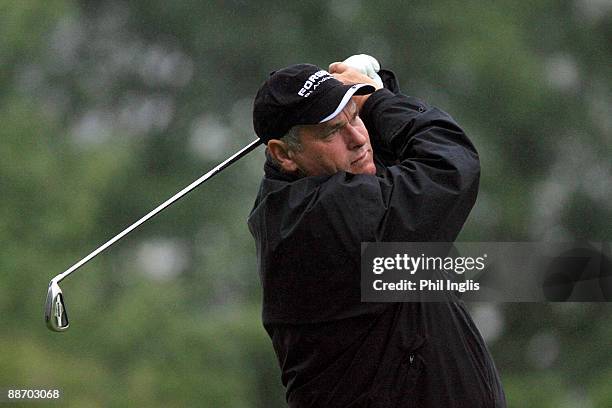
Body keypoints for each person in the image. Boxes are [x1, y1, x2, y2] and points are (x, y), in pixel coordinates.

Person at [248, 57, 506, 408]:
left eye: (354, 115)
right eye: (331, 131)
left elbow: (384, 168)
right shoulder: (325, 222)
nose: (358, 138)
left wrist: (373, 91)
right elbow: (448, 167)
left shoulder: (307, 195)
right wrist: (379, 101)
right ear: (284, 154)